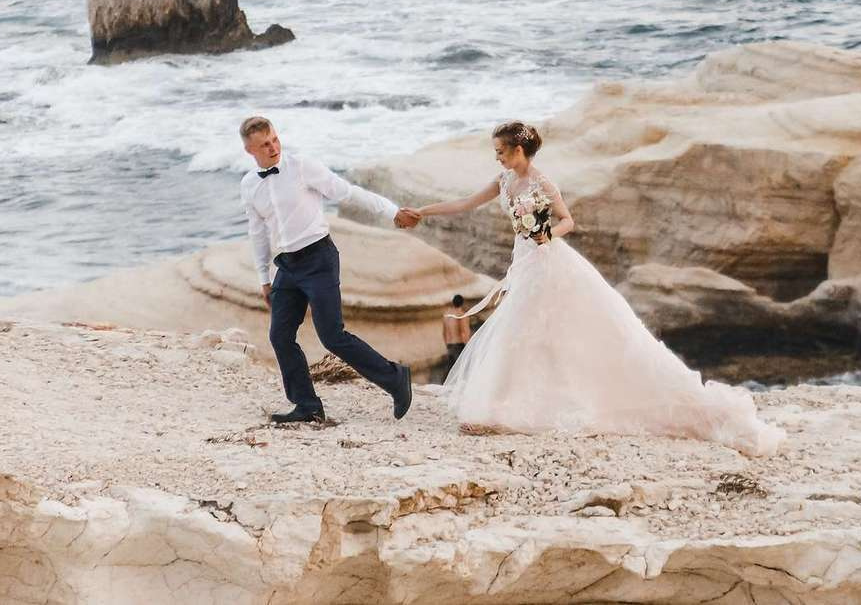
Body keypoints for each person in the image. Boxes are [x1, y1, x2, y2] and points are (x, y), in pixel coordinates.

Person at [402, 120, 783, 456]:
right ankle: (504, 407)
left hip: (547, 259)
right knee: (524, 330)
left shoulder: (542, 182)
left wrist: (544, 233)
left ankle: (506, 409)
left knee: (535, 327)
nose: (497, 158)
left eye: (501, 152)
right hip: (525, 260)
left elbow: (569, 220)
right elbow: (466, 203)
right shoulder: (503, 181)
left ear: (519, 150)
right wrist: (425, 211)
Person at [239, 114, 422, 424]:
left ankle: (395, 378)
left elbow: (346, 192)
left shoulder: (302, 166)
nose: (273, 147)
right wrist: (263, 277)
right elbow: (257, 232)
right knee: (280, 336)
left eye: (274, 139)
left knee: (332, 336)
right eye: (264, 145)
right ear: (250, 150)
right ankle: (307, 406)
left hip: (318, 258)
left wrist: (391, 211)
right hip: (287, 266)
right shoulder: (249, 185)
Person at [440, 293, 473, 381]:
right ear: (462, 303)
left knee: (450, 370)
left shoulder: (446, 315)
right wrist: (468, 345)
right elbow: (464, 331)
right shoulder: (461, 314)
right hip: (459, 344)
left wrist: (447, 344)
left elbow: (444, 332)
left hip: (449, 344)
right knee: (462, 370)